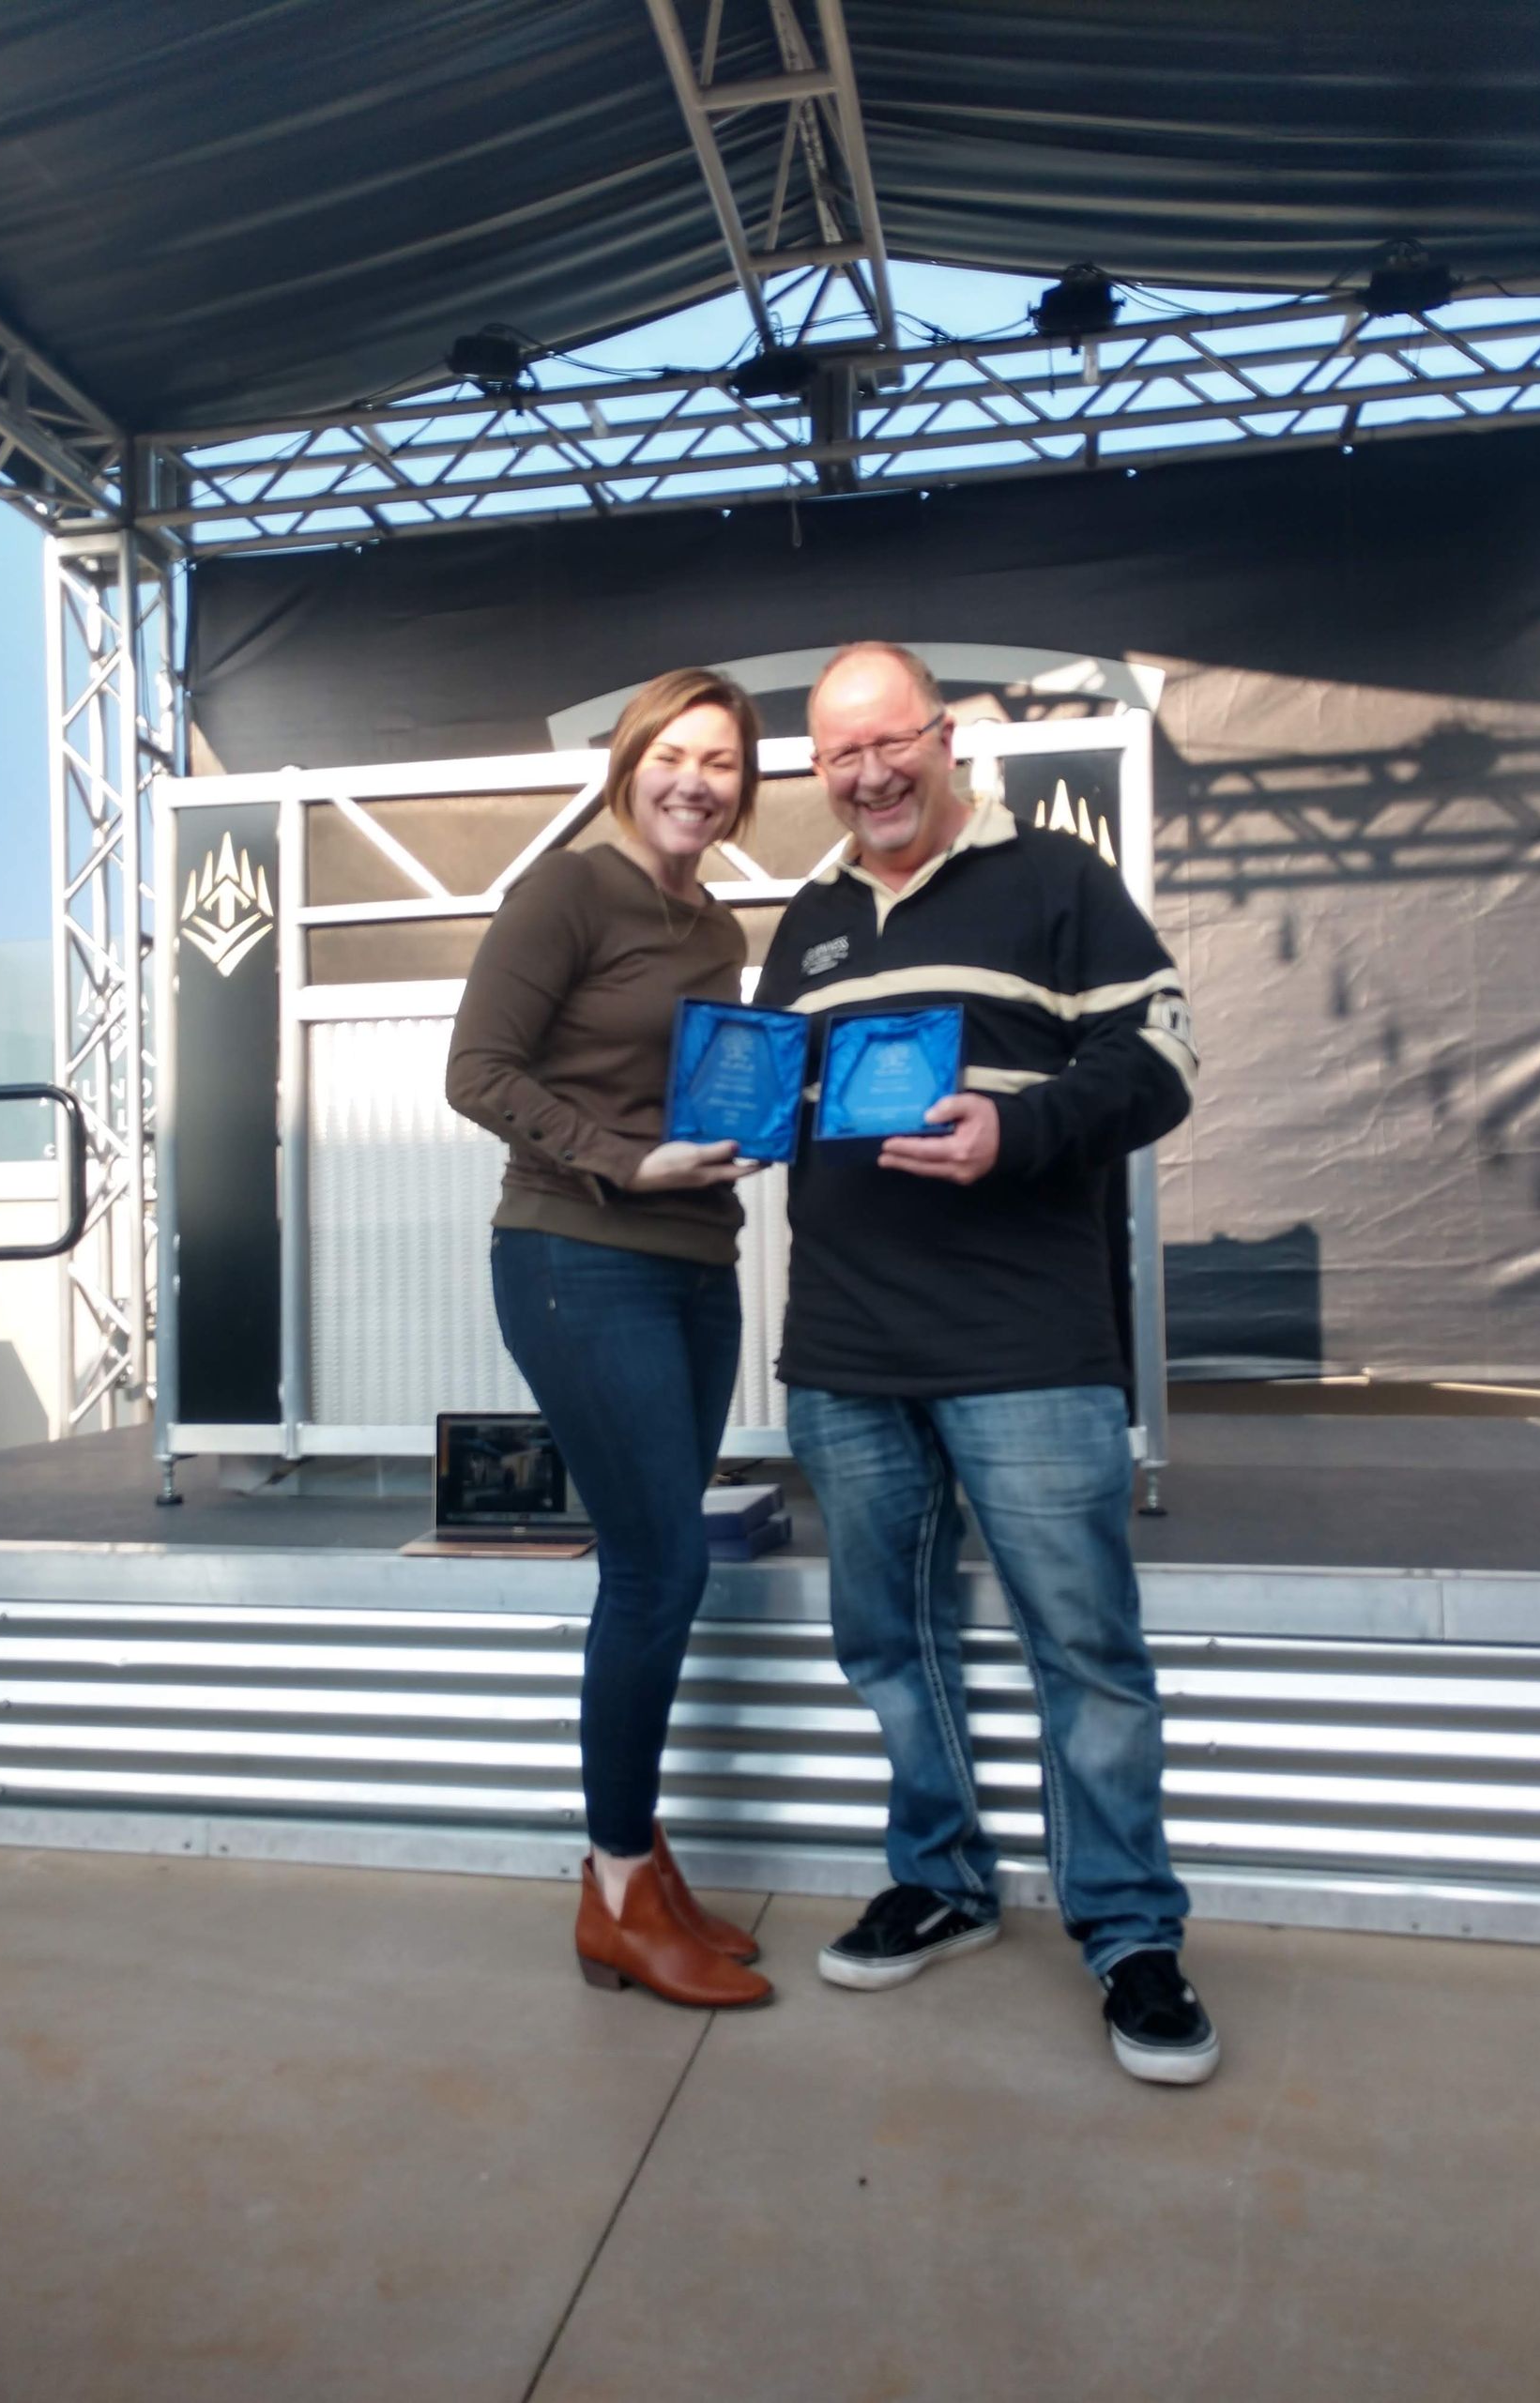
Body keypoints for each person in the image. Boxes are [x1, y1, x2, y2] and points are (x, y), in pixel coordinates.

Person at [754, 641, 1217, 2083]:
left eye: (893, 743)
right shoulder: (810, 917)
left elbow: (1166, 1060)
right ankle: (942, 1879)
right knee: (889, 1640)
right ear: (818, 773)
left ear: (944, 739)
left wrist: (1014, 1133)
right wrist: (727, 1122)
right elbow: (768, 1083)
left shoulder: (1058, 881)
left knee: (1083, 1648)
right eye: (841, 757)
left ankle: (1130, 1931)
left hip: (1026, 1343)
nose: (872, 775)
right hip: (842, 1346)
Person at [446, 667, 774, 2011]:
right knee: (657, 1568)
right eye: (675, 753)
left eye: (724, 763)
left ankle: (639, 1860)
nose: (697, 779)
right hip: (579, 1259)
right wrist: (623, 1166)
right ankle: (619, 1891)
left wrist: (743, 1136)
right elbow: (477, 1071)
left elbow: (688, 1086)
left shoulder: (719, 928)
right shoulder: (568, 891)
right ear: (630, 758)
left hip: (701, 1267)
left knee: (658, 1568)